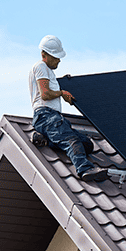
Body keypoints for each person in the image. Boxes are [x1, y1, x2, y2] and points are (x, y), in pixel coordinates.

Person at [29, 35, 107, 182]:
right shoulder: (40, 66)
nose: (59, 60)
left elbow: (49, 88)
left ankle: (44, 139)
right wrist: (61, 93)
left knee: (87, 144)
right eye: (56, 57)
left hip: (53, 118)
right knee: (72, 141)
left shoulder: (47, 71)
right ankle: (85, 169)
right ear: (44, 55)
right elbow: (45, 94)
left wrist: (65, 83)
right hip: (46, 116)